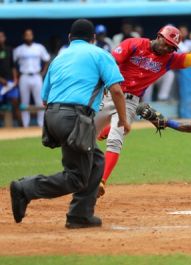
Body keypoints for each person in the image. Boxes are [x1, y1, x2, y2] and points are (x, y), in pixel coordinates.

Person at [9, 19, 130, 228]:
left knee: (96, 162)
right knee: (76, 178)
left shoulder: (59, 58)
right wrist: (124, 120)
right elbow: (117, 90)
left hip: (52, 117)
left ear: (69, 38)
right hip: (75, 118)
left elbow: (45, 98)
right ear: (93, 39)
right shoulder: (100, 54)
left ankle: (80, 214)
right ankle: (25, 188)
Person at [95, 14, 191, 197]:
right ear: (159, 37)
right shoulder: (134, 43)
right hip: (110, 93)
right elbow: (110, 63)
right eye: (167, 44)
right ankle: (102, 134)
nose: (168, 50)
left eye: (172, 48)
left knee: (116, 140)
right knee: (85, 136)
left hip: (131, 102)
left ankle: (101, 181)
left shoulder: (169, 58)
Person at [13, 29, 50, 128]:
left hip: (36, 75)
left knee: (40, 101)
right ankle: (25, 125)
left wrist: (43, 72)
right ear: (23, 37)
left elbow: (47, 59)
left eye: (30, 35)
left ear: (33, 36)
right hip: (24, 76)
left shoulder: (39, 47)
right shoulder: (19, 49)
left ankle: (41, 124)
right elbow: (13, 64)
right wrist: (16, 76)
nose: (28, 37)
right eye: (26, 35)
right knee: (25, 101)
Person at [0, 29, 21, 126]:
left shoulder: (9, 50)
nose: (0, 38)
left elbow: (13, 66)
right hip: (1, 82)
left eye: (1, 36)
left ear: (4, 38)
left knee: (15, 102)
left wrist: (15, 79)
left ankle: (22, 127)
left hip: (10, 82)